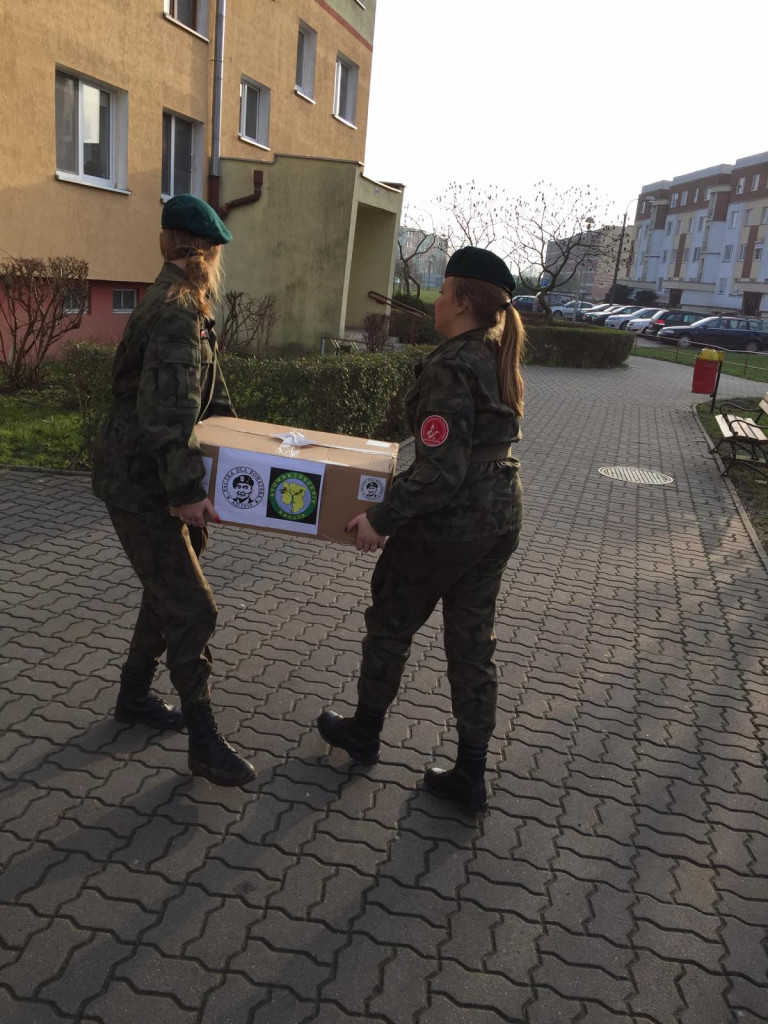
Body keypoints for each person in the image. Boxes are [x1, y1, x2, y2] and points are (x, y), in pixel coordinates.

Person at [317, 247, 525, 812]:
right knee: (472, 643)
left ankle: (364, 732)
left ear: (460, 299)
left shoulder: (452, 364)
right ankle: (471, 773)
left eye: (441, 290)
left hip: (449, 524)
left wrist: (379, 518)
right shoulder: (493, 352)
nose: (433, 300)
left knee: (390, 623)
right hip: (500, 512)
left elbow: (441, 471)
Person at [92, 194, 255, 787]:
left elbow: (212, 399)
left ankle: (134, 696)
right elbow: (167, 412)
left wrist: (249, 446)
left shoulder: (188, 307)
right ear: (206, 253)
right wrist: (187, 492)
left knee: (167, 591)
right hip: (143, 485)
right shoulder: (177, 311)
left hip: (151, 478)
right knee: (193, 606)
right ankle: (204, 740)